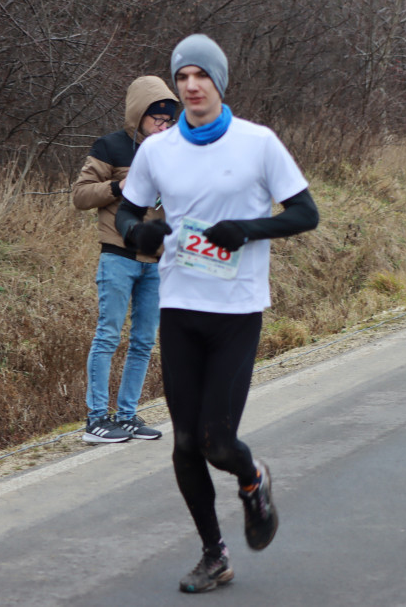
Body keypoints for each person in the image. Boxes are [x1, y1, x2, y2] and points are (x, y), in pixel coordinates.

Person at [116, 35, 319, 593]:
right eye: (182, 78)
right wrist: (141, 232)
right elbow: (127, 214)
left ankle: (252, 482)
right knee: (184, 444)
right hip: (180, 307)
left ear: (219, 83)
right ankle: (214, 554)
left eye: (200, 76)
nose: (191, 87)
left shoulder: (258, 144)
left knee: (219, 444)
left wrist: (247, 231)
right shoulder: (157, 152)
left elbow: (306, 213)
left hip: (236, 311)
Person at [72, 76, 179, 443]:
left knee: (144, 341)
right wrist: (121, 185)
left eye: (168, 120)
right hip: (118, 256)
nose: (162, 126)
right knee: (108, 337)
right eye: (156, 119)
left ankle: (128, 415)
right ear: (138, 115)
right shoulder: (110, 147)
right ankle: (97, 419)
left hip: (157, 262)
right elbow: (81, 196)